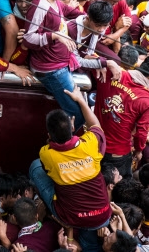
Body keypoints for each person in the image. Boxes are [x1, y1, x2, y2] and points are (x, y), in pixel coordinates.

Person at [29, 85, 111, 251]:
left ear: (49, 135)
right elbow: (95, 124)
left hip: (71, 218)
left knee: (36, 166)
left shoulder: (47, 153)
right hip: (103, 217)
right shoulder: (91, 144)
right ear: (73, 128)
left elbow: (48, 159)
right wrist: (81, 99)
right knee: (90, 241)